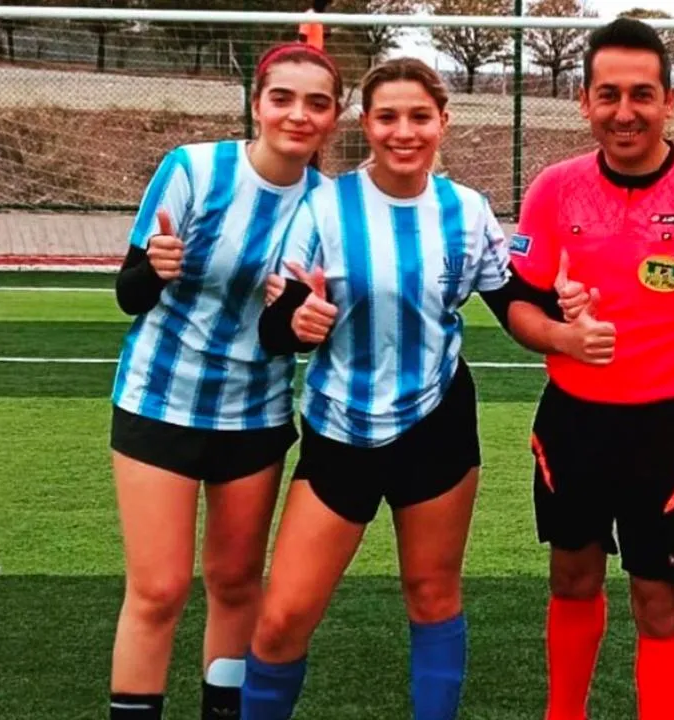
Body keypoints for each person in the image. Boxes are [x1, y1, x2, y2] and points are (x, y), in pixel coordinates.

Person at [239, 57, 538, 720]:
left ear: (443, 122)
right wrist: (297, 323)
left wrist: (565, 315)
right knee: (283, 617)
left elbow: (513, 300)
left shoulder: (467, 210)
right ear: (365, 124)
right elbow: (275, 328)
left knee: (432, 594)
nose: (404, 131)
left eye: (419, 116)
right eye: (388, 117)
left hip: (437, 425)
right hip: (340, 430)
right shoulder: (323, 205)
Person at [505, 17, 674, 720]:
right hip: (572, 424)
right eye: (608, 94)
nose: (623, 112)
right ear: (584, 101)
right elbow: (517, 303)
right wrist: (562, 337)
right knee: (571, 580)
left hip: (667, 432)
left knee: (659, 604)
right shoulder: (554, 189)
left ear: (670, 101)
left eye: (641, 94)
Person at [107, 42, 342, 720]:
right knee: (158, 590)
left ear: (334, 117)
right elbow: (129, 294)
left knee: (237, 583)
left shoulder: (328, 206)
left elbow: (277, 339)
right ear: (257, 104)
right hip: (160, 401)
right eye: (283, 99)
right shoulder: (193, 168)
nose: (298, 115)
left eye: (317, 103)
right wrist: (156, 268)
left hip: (255, 415)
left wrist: (299, 319)